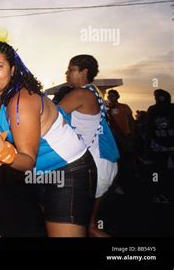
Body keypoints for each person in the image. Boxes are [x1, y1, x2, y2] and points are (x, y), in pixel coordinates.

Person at [0, 42, 97, 237]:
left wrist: (0, 149)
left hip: (69, 171)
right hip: (42, 175)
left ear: (13, 70)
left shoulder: (21, 101)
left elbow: (27, 161)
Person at [58, 55, 118, 237]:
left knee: (72, 222)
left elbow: (50, 116)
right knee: (89, 226)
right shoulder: (94, 92)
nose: (67, 73)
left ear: (84, 72)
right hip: (104, 161)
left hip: (94, 165)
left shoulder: (80, 93)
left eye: (71, 69)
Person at [107, 89, 139, 192]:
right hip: (114, 138)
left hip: (126, 136)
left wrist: (132, 135)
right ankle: (118, 183)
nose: (110, 98)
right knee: (117, 161)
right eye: (109, 96)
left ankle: (130, 180)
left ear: (118, 96)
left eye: (112, 96)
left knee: (127, 159)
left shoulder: (124, 107)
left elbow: (131, 121)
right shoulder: (107, 110)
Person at [147, 89, 173, 204]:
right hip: (160, 145)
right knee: (162, 171)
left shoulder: (153, 109)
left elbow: (149, 129)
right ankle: (163, 194)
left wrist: (148, 146)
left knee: (159, 171)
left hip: (158, 146)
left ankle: (161, 194)